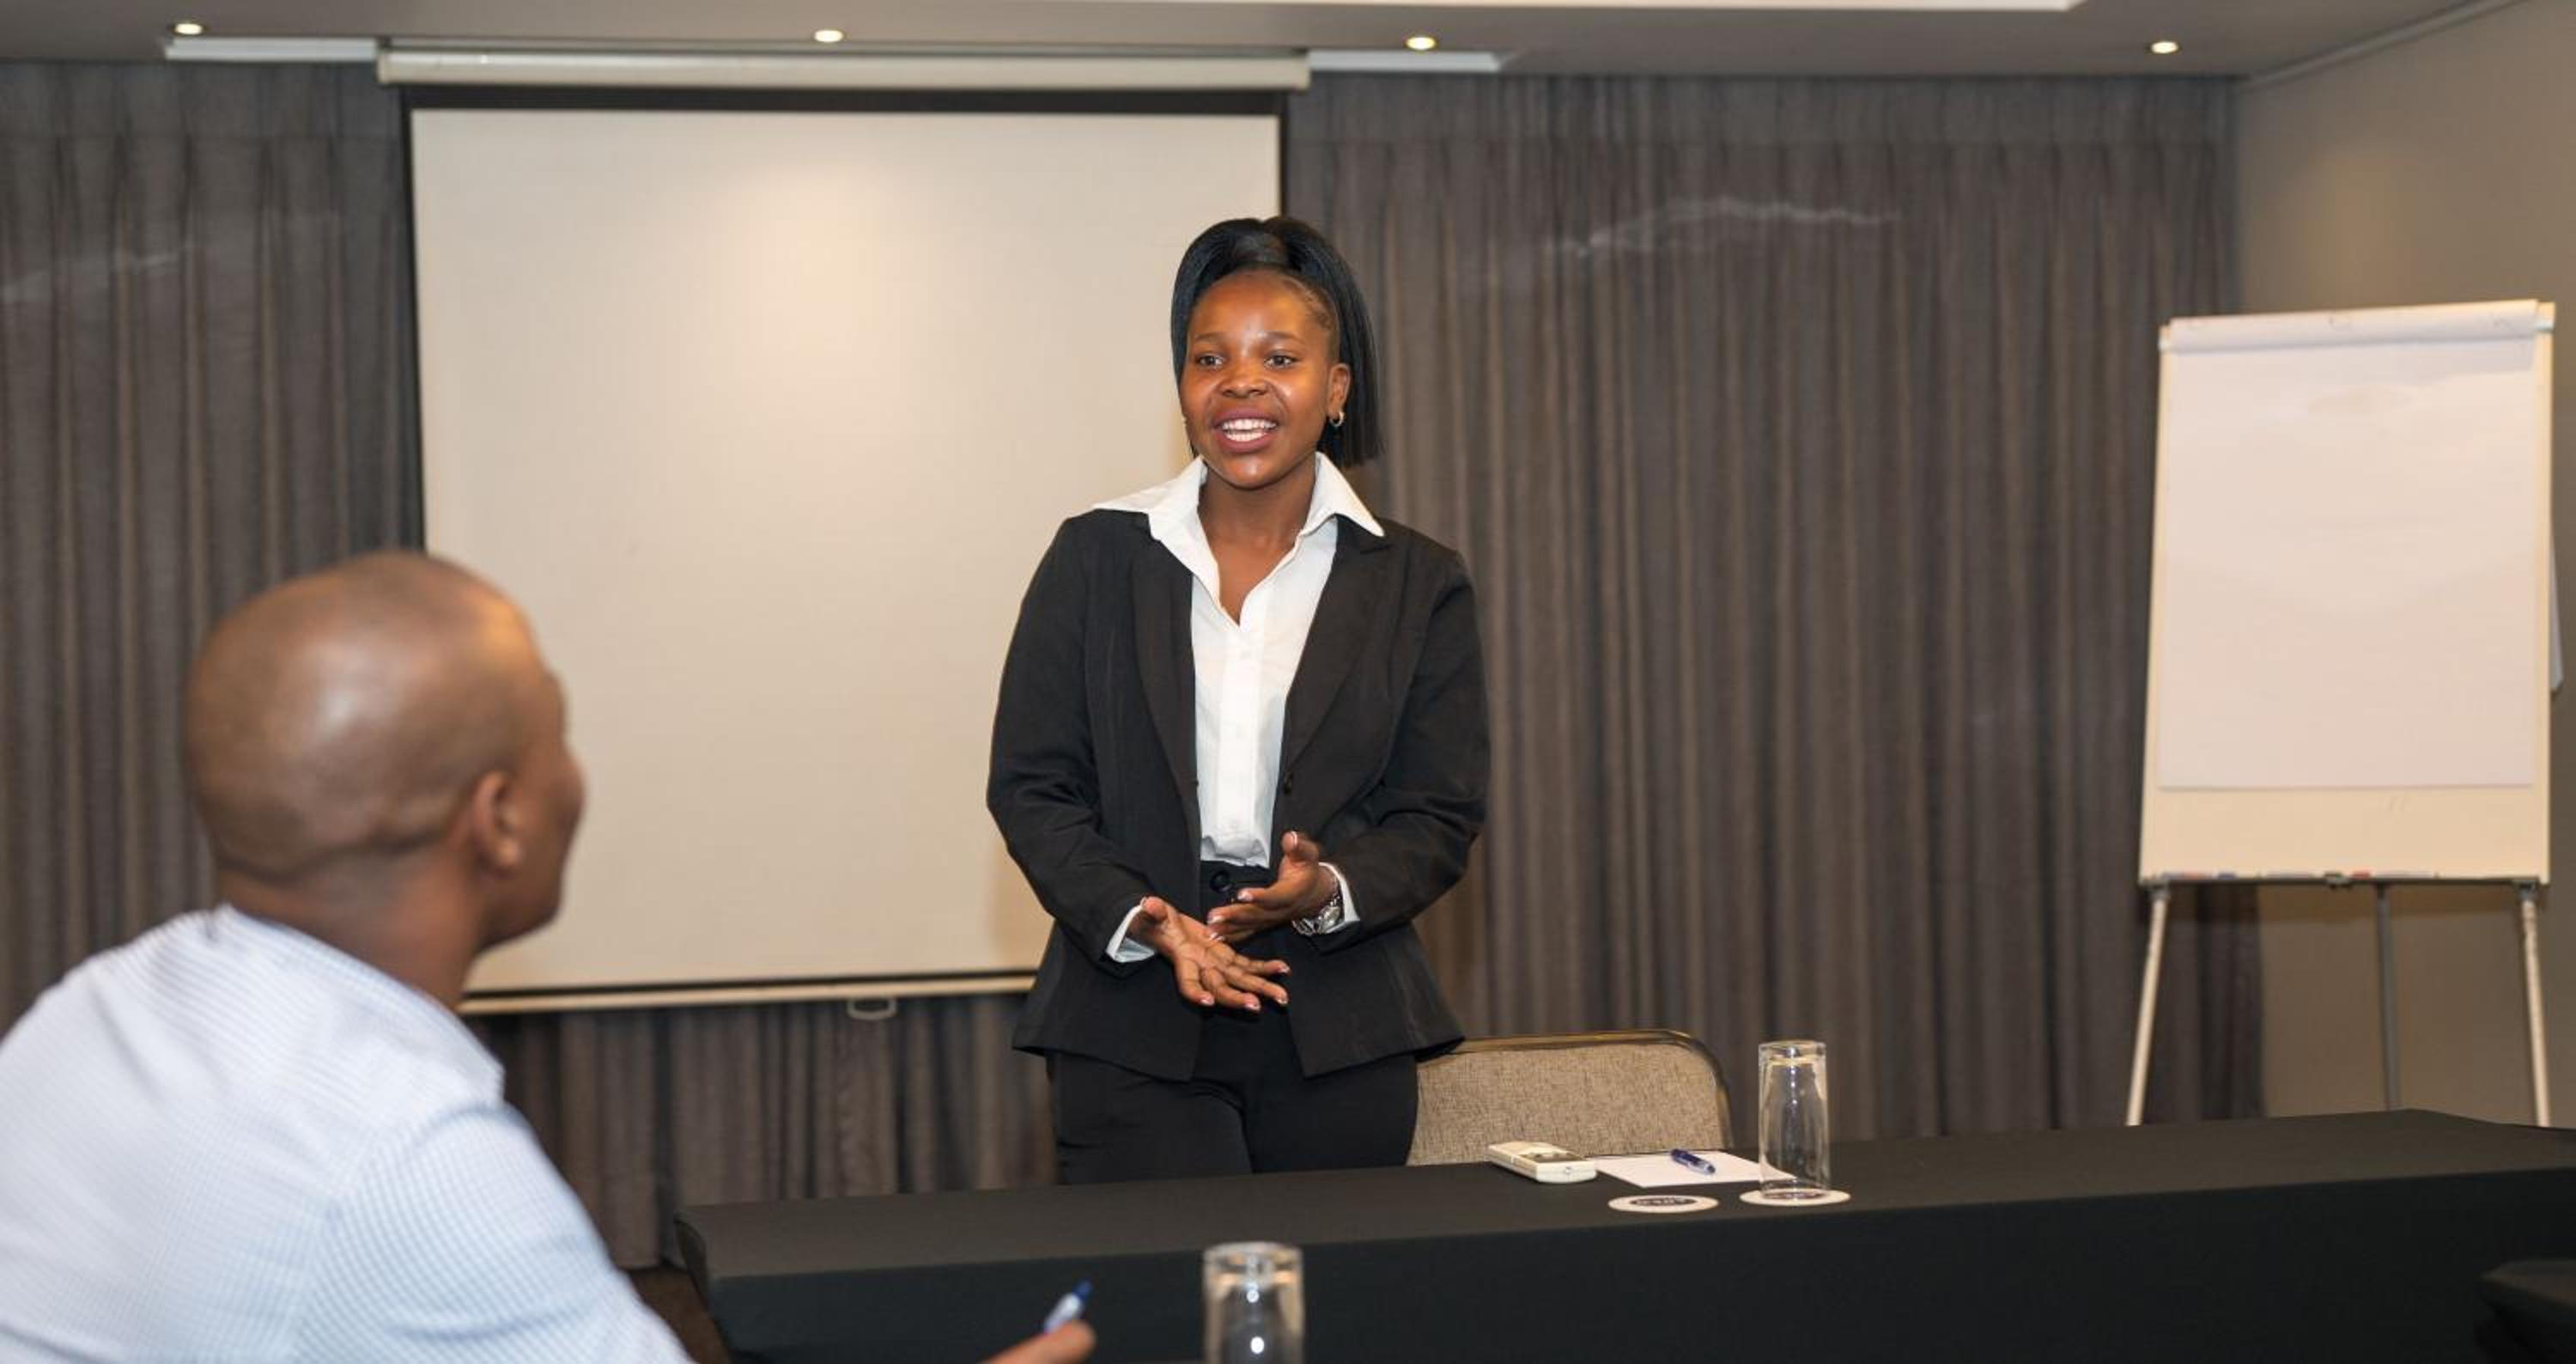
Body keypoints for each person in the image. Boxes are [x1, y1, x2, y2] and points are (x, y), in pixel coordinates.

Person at [0, 552, 1092, 1364]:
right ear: (500, 820)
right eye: (555, 734)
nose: (575, 771)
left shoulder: (88, 1014)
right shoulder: (410, 1158)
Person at [989, 216, 1490, 1184]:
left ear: (1336, 390)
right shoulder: (1096, 555)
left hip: (1338, 1021)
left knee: (1333, 1280)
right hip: (1130, 1016)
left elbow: (1436, 814)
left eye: (1280, 358)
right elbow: (1034, 787)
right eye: (1209, 357)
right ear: (1183, 387)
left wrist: (1326, 889)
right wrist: (1142, 916)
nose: (1241, 382)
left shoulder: (1417, 580)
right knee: (1164, 1279)